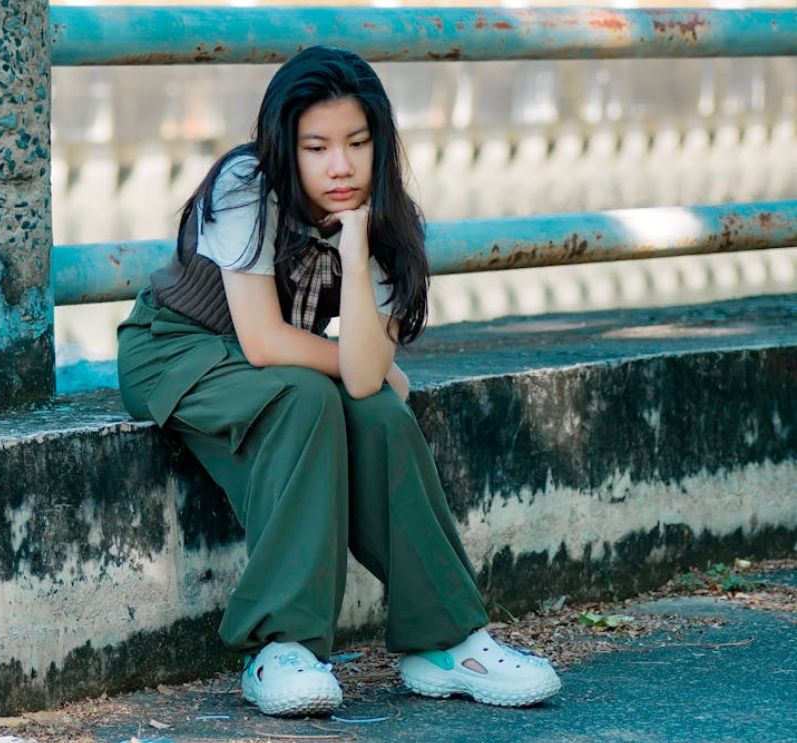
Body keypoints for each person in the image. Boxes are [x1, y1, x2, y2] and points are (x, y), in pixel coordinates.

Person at [116, 46, 561, 717]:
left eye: (356, 142)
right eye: (316, 146)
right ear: (284, 147)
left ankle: (446, 640)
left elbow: (361, 380)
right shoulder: (246, 182)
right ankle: (283, 646)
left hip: (275, 363)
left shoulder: (385, 221)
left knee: (379, 415)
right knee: (308, 398)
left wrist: (355, 254)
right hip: (179, 350)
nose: (340, 165)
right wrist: (380, 369)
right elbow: (266, 342)